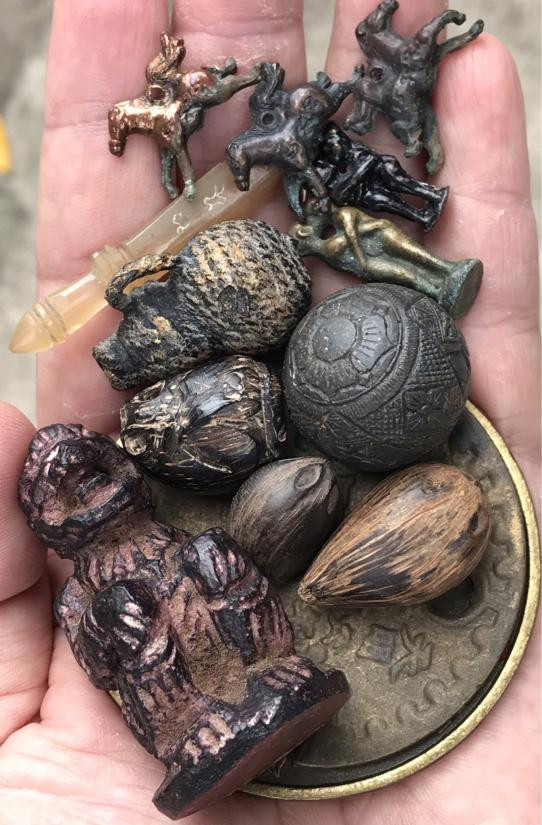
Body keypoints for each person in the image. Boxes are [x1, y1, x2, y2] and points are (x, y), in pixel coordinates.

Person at [0, 1, 539, 823]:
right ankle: (204, 728)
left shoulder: (185, 510)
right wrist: (122, 628)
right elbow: (105, 655)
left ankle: (269, 675)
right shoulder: (84, 590)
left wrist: (225, 579)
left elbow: (238, 569)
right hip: (187, 704)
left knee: (223, 561)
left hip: (299, 344)